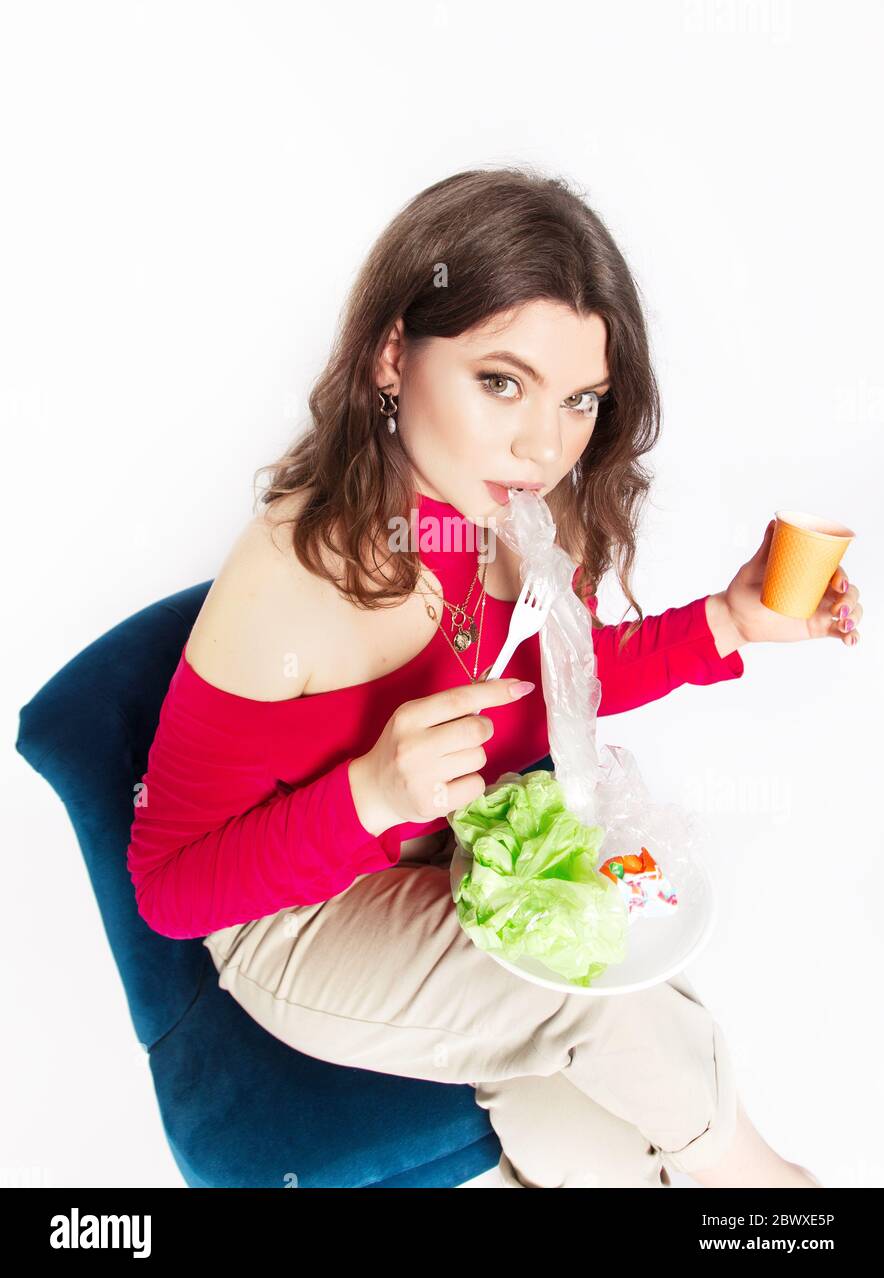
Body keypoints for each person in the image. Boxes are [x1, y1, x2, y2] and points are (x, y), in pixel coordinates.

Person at [128, 167, 860, 1187]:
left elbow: (548, 694)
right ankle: (775, 1194)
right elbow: (168, 891)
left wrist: (724, 624)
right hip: (296, 918)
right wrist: (371, 793)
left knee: (598, 1138)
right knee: (588, 992)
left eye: (579, 401)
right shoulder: (296, 578)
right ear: (393, 353)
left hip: (446, 854)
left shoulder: (494, 509)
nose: (543, 444)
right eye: (499, 381)